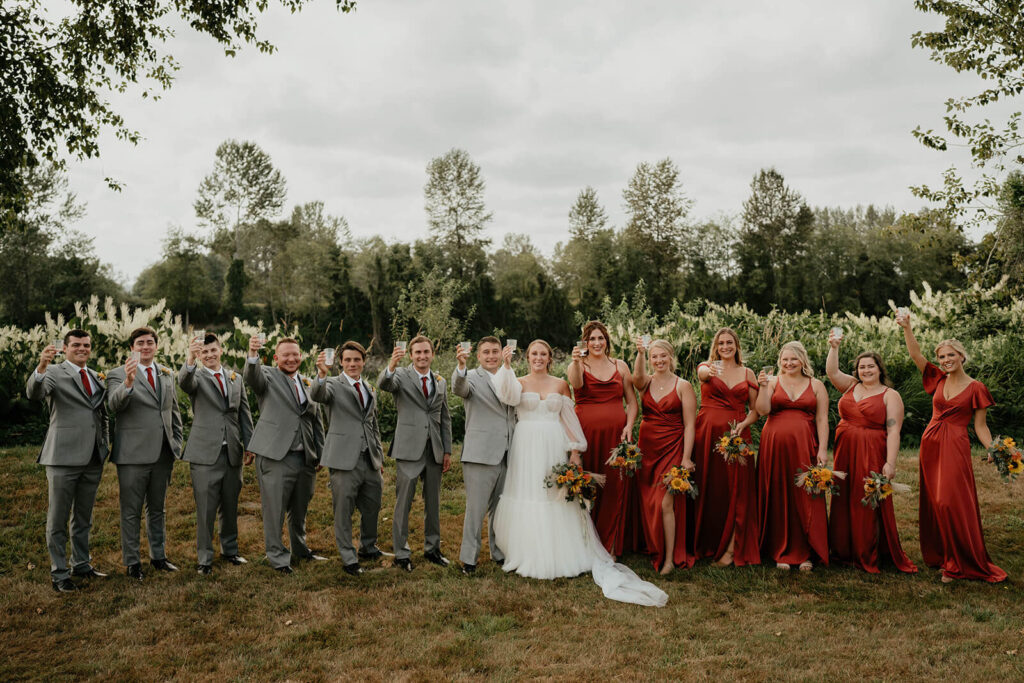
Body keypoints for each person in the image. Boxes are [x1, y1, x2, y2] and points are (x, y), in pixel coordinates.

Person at [490, 340, 667, 606]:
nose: (538, 358)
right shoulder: (518, 381)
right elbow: (506, 395)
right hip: (525, 446)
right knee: (527, 493)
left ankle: (559, 553)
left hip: (552, 445)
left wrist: (575, 450)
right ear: (526, 357)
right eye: (533, 354)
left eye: (543, 354)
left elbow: (567, 418)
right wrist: (505, 365)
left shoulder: (560, 384)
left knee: (554, 497)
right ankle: (527, 552)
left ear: (550, 358)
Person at [897, 312, 1006, 583]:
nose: (946, 361)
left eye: (950, 356)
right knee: (935, 501)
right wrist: (907, 328)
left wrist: (994, 448)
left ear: (962, 356)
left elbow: (980, 427)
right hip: (930, 443)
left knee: (950, 501)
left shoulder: (976, 388)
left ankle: (960, 563)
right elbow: (916, 355)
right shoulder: (938, 379)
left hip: (955, 445)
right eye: (942, 357)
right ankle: (943, 555)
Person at [825, 333, 916, 574]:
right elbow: (832, 373)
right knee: (844, 495)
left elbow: (894, 431)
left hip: (871, 450)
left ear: (879, 369)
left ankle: (867, 551)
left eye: (870, 366)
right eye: (861, 367)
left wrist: (890, 463)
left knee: (866, 498)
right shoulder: (850, 386)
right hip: (845, 449)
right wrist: (834, 347)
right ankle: (843, 550)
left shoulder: (890, 395)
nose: (865, 370)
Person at [26, 329, 110, 592]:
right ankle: (60, 573)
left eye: (86, 345)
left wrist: (104, 446)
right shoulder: (52, 373)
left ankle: (81, 564)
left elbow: (102, 414)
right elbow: (34, 392)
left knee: (83, 516)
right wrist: (41, 365)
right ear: (65, 348)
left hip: (93, 457)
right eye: (76, 345)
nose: (82, 348)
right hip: (62, 456)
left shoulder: (97, 376)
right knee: (58, 517)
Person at [106, 326, 184, 580]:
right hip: (132, 454)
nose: (145, 347)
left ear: (156, 346)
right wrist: (128, 383)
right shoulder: (117, 374)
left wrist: (176, 443)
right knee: (131, 510)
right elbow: (113, 405)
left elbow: (173, 411)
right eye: (140, 343)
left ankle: (158, 556)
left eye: (150, 342)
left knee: (158, 508)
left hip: (163, 452)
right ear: (132, 348)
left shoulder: (166, 373)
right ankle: (132, 562)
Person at [244, 336, 325, 574]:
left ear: (301, 356)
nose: (291, 359)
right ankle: (278, 557)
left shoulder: (309, 383)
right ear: (276, 358)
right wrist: (252, 353)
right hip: (276, 456)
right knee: (275, 509)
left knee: (300, 508)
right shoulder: (267, 377)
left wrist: (319, 452)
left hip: (305, 458)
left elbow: (316, 421)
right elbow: (252, 376)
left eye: (295, 354)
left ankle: (300, 548)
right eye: (286, 355)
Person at [178, 333, 253, 575]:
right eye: (205, 352)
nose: (210, 355)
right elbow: (184, 383)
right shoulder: (196, 378)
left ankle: (230, 550)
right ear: (200, 355)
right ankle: (204, 558)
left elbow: (244, 414)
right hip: (204, 453)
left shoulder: (235, 378)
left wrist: (249, 444)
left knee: (230, 504)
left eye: (213, 350)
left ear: (221, 351)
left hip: (232, 451)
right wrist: (190, 359)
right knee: (206, 508)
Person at [379, 335, 453, 572]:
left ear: (432, 354)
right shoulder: (400, 375)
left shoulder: (440, 381)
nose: (422, 356)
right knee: (403, 503)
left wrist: (448, 450)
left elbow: (444, 419)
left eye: (426, 352)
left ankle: (433, 549)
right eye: (417, 352)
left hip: (434, 450)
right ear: (411, 355)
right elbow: (384, 384)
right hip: (409, 448)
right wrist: (391, 364)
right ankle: (402, 553)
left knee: (433, 503)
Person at [311, 341, 385, 577]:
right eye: (348, 360)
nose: (353, 364)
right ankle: (348, 556)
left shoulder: (369, 388)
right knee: (343, 510)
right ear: (341, 362)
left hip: (370, 458)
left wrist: (379, 456)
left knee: (372, 505)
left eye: (357, 360)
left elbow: (372, 424)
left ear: (363, 362)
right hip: (343, 458)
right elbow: (317, 393)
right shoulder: (332, 384)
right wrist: (321, 374)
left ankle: (368, 546)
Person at [567, 320, 640, 557]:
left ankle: (612, 542)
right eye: (592, 339)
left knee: (614, 485)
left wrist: (629, 425)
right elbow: (576, 384)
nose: (597, 343)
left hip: (616, 434)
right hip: (585, 434)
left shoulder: (620, 366)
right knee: (587, 483)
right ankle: (585, 542)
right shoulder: (576, 365)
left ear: (607, 341)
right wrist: (578, 362)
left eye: (601, 338)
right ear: (585, 342)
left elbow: (631, 402)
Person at [755, 341, 830, 571]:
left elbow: (822, 420)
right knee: (778, 492)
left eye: (794, 359)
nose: (789, 363)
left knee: (805, 495)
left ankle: (806, 551)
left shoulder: (816, 385)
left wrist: (823, 449)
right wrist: (762, 387)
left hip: (805, 445)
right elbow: (763, 411)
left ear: (802, 361)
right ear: (780, 361)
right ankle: (779, 550)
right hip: (774, 446)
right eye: (785, 359)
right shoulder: (772, 381)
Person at [692, 327, 761, 568]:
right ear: (715, 346)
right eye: (720, 343)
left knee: (738, 489)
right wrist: (706, 370)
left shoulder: (747, 372)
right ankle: (707, 542)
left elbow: (756, 409)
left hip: (738, 434)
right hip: (707, 434)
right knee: (711, 487)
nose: (725, 346)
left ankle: (732, 549)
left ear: (736, 345)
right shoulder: (708, 367)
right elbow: (701, 374)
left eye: (729, 342)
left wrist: (743, 424)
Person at [632, 338, 696, 575]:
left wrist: (686, 457)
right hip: (647, 449)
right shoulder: (645, 382)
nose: (659, 361)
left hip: (673, 448)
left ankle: (669, 558)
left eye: (663, 356)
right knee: (649, 500)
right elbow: (635, 379)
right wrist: (639, 353)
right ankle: (653, 546)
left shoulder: (683, 386)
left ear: (671, 357)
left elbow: (690, 425)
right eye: (654, 357)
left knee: (665, 502)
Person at [452, 336, 516, 575]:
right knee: (476, 509)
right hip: (480, 454)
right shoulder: (470, 378)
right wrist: (460, 366)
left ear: (502, 353)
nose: (491, 356)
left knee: (500, 509)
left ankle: (498, 553)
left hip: (507, 453)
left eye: (495, 351)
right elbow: (458, 388)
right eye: (486, 352)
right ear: (478, 356)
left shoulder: (508, 375)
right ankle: (469, 559)